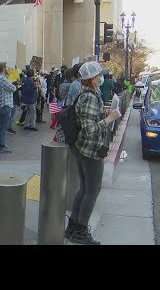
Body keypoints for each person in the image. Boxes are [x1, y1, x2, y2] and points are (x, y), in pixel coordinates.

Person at [65, 61, 122, 245]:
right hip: (90, 151)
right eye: (99, 75)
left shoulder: (86, 93)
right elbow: (89, 130)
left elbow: (87, 121)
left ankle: (72, 227)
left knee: (83, 189)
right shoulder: (89, 97)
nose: (101, 77)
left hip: (82, 148)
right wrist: (110, 119)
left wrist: (102, 114)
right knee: (92, 191)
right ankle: (81, 232)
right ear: (92, 79)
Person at [0, 62, 17, 153]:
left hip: (3, 105)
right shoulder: (2, 78)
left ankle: (0, 144)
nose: (7, 69)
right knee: (3, 126)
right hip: (5, 105)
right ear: (3, 68)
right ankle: (1, 145)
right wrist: (14, 83)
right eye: (6, 67)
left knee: (1, 125)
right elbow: (13, 88)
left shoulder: (0, 78)